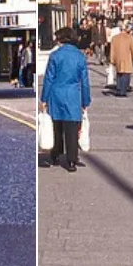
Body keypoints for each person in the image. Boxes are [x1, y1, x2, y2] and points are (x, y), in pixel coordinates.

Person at [40, 27, 91, 172]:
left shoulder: (55, 55)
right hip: (73, 94)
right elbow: (85, 81)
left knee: (57, 126)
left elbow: (49, 78)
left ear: (61, 39)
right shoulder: (80, 56)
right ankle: (71, 161)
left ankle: (55, 154)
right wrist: (85, 101)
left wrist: (44, 98)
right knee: (72, 128)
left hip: (56, 93)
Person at [109, 22, 133, 97]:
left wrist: (112, 59)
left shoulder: (114, 38)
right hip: (127, 58)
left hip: (118, 58)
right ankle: (123, 90)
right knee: (126, 74)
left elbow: (112, 49)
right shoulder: (130, 37)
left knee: (119, 73)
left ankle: (119, 89)